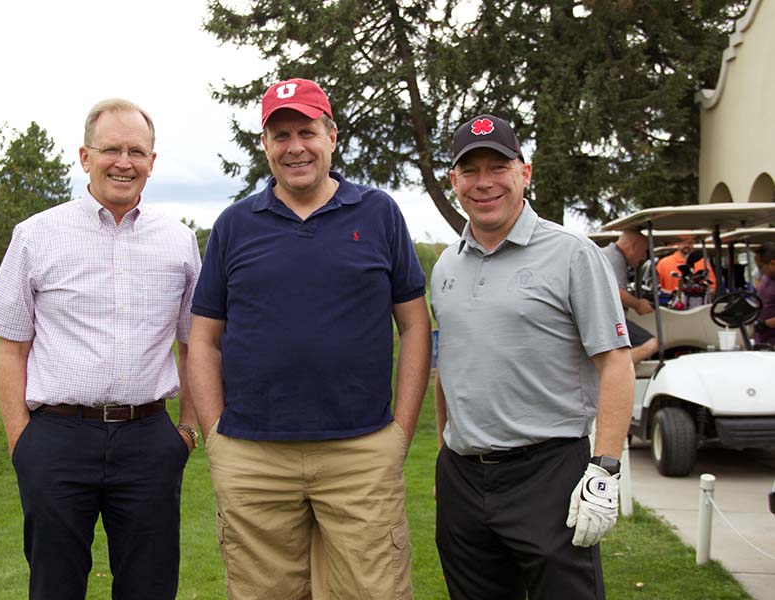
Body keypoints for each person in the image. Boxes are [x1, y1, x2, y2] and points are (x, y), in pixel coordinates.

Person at [188, 78, 431, 600]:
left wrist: (400, 433)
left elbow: (415, 326)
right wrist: (217, 437)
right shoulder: (234, 225)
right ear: (265, 146)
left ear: (332, 136)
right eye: (281, 135)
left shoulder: (379, 212)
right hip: (253, 457)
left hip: (360, 450)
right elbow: (204, 339)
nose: (295, 146)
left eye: (306, 131)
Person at [0, 98, 201, 600]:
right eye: (111, 149)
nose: (124, 162)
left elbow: (196, 345)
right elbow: (11, 348)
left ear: (152, 162)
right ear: (84, 157)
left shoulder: (179, 242)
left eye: (137, 151)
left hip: (149, 440)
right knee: (55, 587)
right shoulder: (36, 235)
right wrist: (23, 444)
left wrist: (185, 431)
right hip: (56, 440)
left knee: (150, 587)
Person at [431, 114, 634, 600]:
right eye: (470, 170)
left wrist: (604, 469)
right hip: (463, 476)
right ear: (454, 181)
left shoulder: (572, 254)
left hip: (548, 473)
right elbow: (450, 366)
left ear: (525, 172)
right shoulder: (445, 265)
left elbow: (616, 363)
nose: (484, 183)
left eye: (497, 167)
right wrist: (444, 452)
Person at [600, 229, 659, 363]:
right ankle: (614, 369)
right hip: (606, 318)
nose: (644, 256)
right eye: (644, 251)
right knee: (651, 344)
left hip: (601, 317)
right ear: (633, 246)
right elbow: (616, 292)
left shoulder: (609, 254)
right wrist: (638, 304)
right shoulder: (615, 257)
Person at [753, 242, 775, 348]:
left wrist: (764, 324)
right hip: (763, 341)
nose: (759, 270)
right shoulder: (768, 277)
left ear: (773, 263)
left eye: (760, 266)